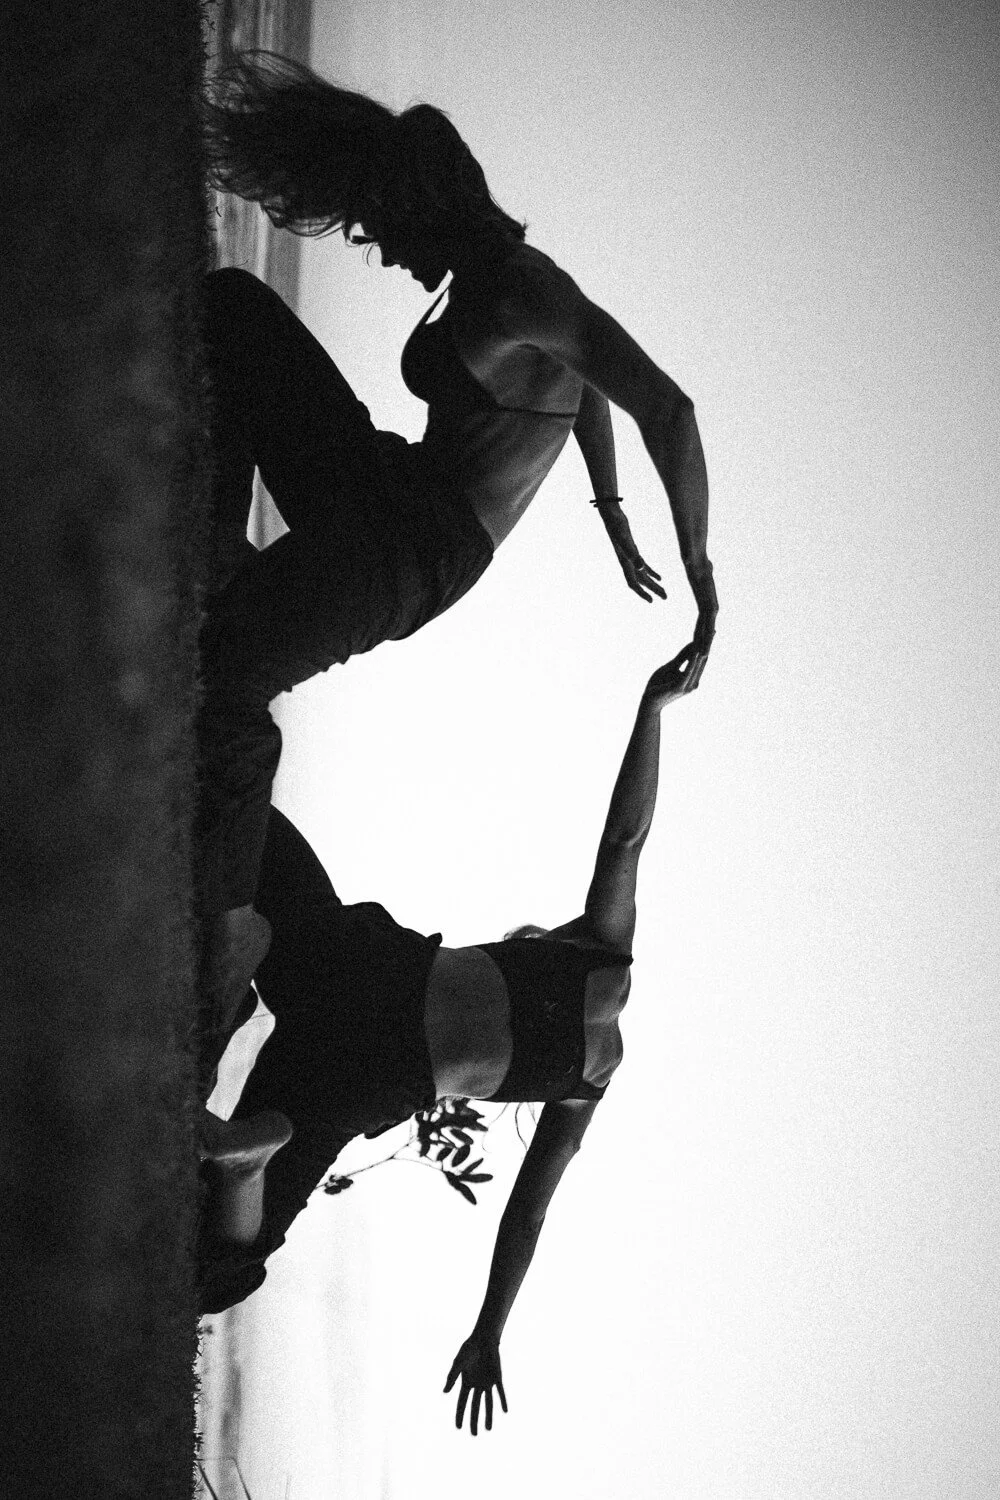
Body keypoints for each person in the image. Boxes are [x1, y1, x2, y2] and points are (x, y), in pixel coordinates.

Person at [196, 51, 717, 946]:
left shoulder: (521, 286)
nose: (384, 249)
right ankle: (202, 557)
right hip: (387, 483)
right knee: (235, 309)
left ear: (426, 206)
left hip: (418, 552)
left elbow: (663, 405)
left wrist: (699, 576)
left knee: (234, 668)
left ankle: (225, 939)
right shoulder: (500, 285)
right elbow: (582, 386)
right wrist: (611, 512)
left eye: (384, 227)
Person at [199, 647, 697, 1436]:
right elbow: (526, 1214)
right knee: (220, 1272)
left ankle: (244, 946)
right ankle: (246, 1164)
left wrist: (651, 709)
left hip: (369, 967)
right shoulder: (588, 1078)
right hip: (370, 1079)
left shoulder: (596, 952)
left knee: (237, 812)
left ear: (547, 938)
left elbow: (626, 836)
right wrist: (490, 1329)